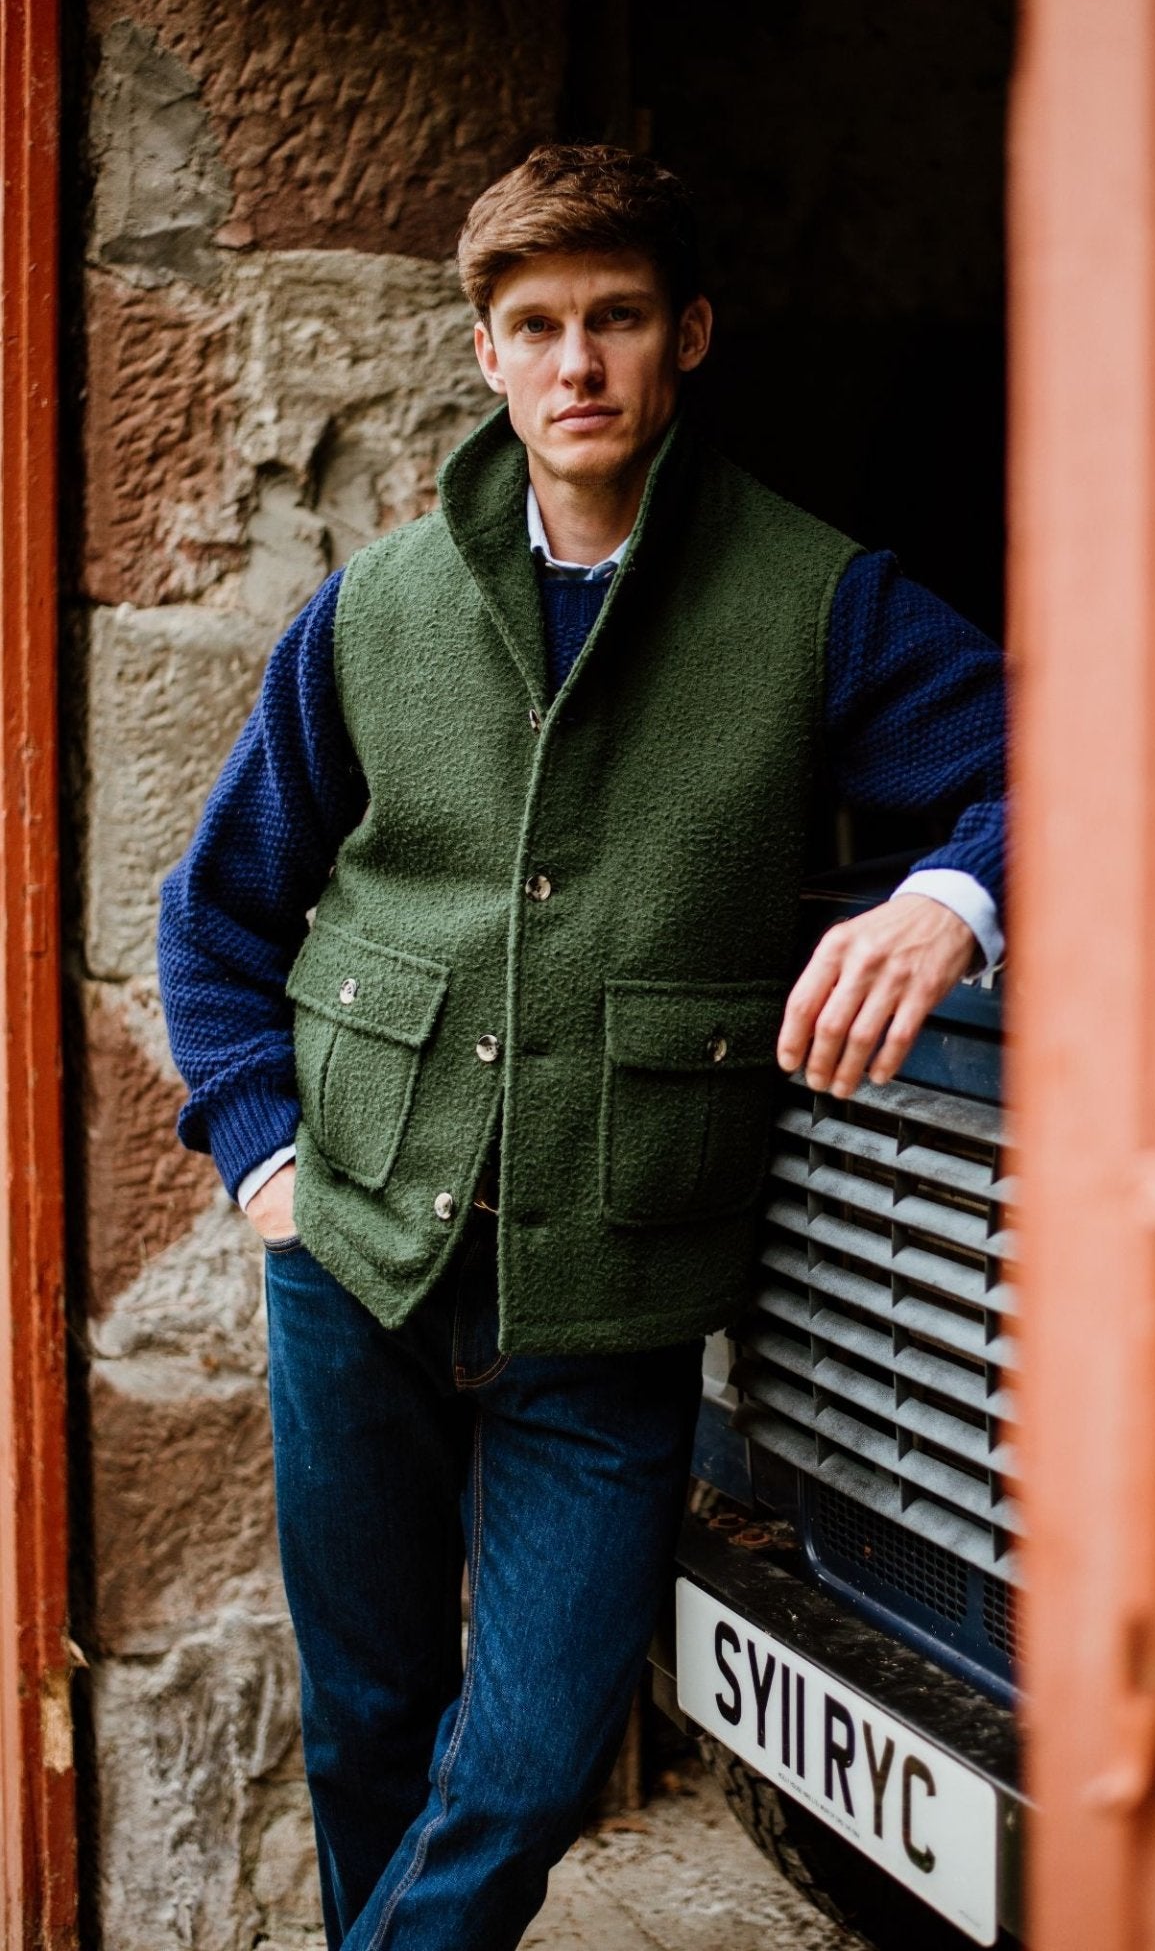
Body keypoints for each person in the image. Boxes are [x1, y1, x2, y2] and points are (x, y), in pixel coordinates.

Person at [158, 143, 1006, 1951]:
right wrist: (264, 1161)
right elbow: (214, 913)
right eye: (535, 325)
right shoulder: (372, 611)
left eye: (615, 317)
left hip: (613, 1282)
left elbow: (1057, 756)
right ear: (484, 355)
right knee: (373, 1720)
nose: (578, 364)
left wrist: (952, 893)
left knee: (534, 1760)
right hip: (355, 1254)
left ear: (685, 334)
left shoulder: (813, 598)